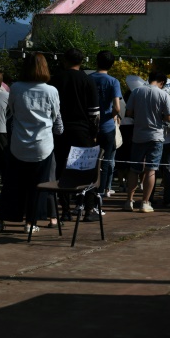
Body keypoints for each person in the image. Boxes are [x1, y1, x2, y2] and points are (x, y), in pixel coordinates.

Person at [0, 53, 62, 234]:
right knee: (37, 186)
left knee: (11, 185)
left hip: (18, 144)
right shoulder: (51, 91)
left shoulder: (16, 88)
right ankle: (30, 223)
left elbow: (11, 112)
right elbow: (56, 120)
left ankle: (0, 221)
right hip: (42, 146)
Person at [49, 48, 100, 221]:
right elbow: (94, 112)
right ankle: (88, 209)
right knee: (87, 168)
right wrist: (93, 133)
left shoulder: (56, 79)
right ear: (82, 61)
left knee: (61, 170)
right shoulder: (88, 80)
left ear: (64, 60)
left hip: (60, 130)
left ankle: (65, 210)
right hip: (82, 130)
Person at [124, 71, 170, 213]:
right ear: (162, 83)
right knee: (151, 169)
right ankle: (145, 202)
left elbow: (128, 113)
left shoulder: (137, 91)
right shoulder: (163, 94)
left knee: (134, 169)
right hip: (156, 136)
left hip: (138, 135)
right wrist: (160, 117)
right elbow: (169, 117)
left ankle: (129, 201)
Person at [89, 50, 122, 199]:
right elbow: (117, 107)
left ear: (97, 61)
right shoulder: (113, 81)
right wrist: (112, 117)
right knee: (106, 162)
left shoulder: (88, 79)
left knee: (90, 161)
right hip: (107, 127)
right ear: (112, 64)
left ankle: (87, 194)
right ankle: (100, 194)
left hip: (90, 127)